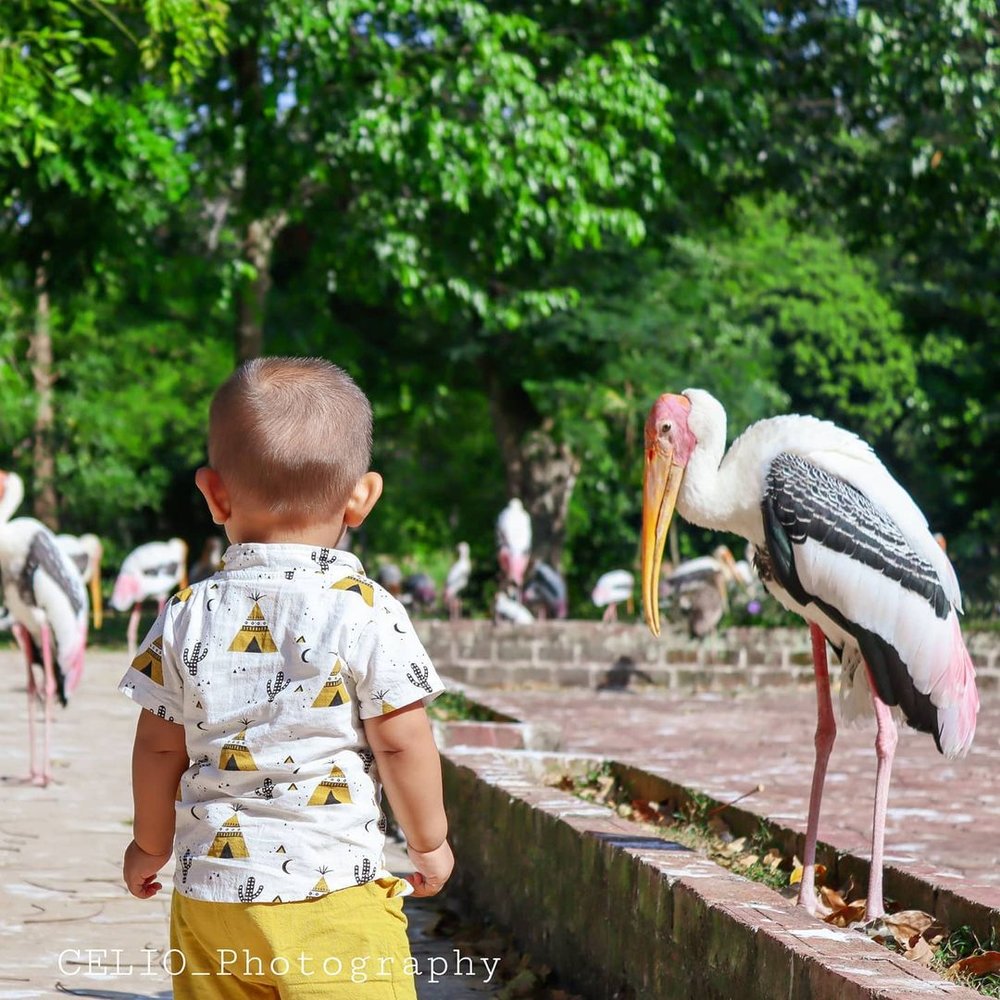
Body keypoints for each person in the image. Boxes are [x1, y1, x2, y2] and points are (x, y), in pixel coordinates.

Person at [119, 356, 452, 999]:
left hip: (211, 901)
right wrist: (429, 842)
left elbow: (157, 745)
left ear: (214, 494)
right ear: (362, 497)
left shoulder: (187, 612)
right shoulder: (367, 610)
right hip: (330, 896)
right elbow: (402, 741)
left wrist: (148, 844)